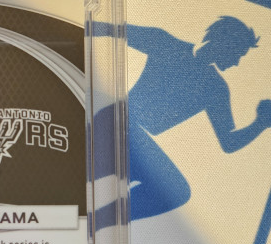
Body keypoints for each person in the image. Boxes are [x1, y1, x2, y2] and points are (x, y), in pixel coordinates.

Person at [93, 16, 271, 227]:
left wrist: (260, 123)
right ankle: (97, 220)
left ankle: (98, 221)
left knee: (175, 191)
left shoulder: (216, 88)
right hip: (116, 120)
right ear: (223, 43)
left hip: (135, 141)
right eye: (237, 54)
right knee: (173, 189)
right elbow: (107, 28)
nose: (236, 63)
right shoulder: (166, 43)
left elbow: (229, 142)